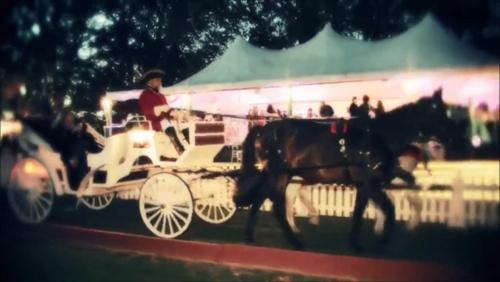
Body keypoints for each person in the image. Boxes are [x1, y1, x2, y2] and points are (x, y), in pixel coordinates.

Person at [138, 69, 185, 154]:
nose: (160, 82)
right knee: (165, 123)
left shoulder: (161, 96)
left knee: (182, 124)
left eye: (160, 80)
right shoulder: (144, 95)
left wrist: (174, 113)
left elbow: (167, 109)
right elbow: (146, 111)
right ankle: (179, 149)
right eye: (158, 80)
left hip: (165, 119)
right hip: (153, 121)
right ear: (150, 82)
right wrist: (158, 109)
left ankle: (188, 147)